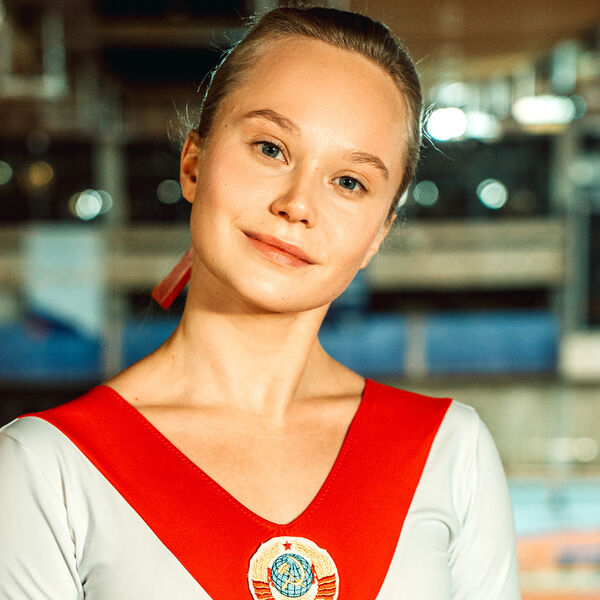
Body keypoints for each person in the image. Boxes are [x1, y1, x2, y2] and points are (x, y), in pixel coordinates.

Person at [0, 5, 521, 599]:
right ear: (193, 165)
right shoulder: (47, 469)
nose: (297, 204)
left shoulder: (450, 452)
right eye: (270, 148)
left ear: (378, 233)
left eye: (349, 182)